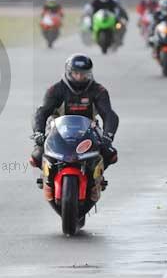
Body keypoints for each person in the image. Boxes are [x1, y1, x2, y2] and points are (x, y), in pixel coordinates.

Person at [29, 53, 119, 188]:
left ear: (89, 73)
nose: (79, 77)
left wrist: (108, 136)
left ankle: (96, 178)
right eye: (76, 73)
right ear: (68, 72)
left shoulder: (98, 90)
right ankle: (48, 177)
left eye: (83, 74)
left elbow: (109, 114)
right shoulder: (55, 90)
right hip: (57, 130)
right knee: (36, 155)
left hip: (89, 130)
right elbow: (41, 112)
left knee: (110, 153)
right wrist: (38, 132)